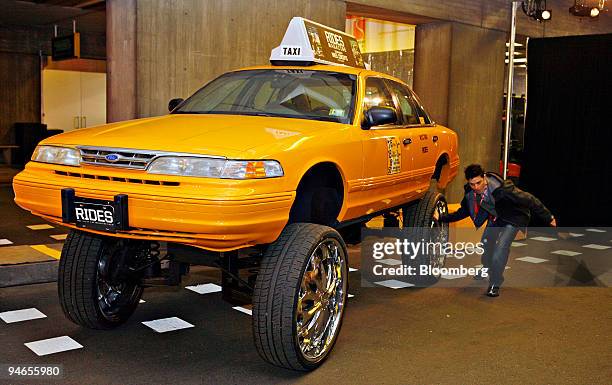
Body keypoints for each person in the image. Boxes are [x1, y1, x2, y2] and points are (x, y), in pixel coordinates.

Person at [435, 164, 556, 297]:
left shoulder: (503, 189)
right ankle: (487, 267)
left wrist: (548, 216)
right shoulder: (471, 193)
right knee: (486, 244)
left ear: (484, 177)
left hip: (512, 218)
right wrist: (442, 217)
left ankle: (495, 282)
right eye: (472, 184)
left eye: (478, 183)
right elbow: (463, 212)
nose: (476, 187)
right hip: (495, 218)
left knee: (501, 248)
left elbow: (529, 199)